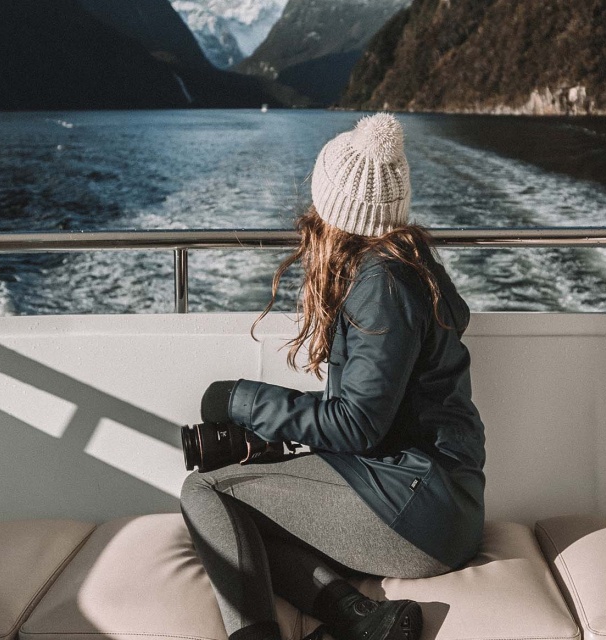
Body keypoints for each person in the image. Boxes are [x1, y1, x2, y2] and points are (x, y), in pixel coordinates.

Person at [182, 113, 486, 640]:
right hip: (433, 500)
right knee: (244, 522)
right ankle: (362, 619)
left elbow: (356, 425)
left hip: (421, 510)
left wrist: (239, 399)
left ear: (336, 210)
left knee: (204, 491)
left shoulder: (381, 284)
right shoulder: (406, 268)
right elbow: (372, 418)